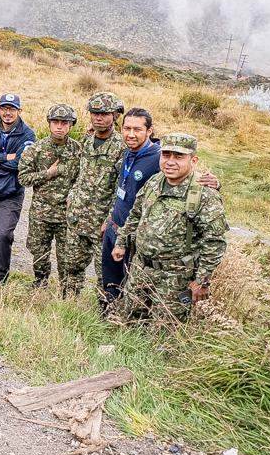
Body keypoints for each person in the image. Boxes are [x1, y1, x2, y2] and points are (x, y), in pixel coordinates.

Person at [109, 133, 228, 323]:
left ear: (193, 160)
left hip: (174, 278)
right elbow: (136, 214)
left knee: (163, 333)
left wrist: (202, 281)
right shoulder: (155, 182)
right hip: (140, 269)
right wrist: (121, 242)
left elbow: (214, 241)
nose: (170, 162)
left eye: (179, 156)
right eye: (166, 155)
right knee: (130, 323)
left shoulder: (204, 194)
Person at [61, 92, 126, 297]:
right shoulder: (87, 140)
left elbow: (121, 188)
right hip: (78, 216)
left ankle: (105, 312)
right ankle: (68, 305)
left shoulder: (121, 147)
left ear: (115, 115)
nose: (98, 117)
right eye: (94, 113)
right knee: (71, 265)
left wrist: (110, 218)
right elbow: (81, 173)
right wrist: (72, 196)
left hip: (102, 222)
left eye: (104, 114)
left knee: (104, 272)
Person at [18, 104, 84, 291]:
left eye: (64, 123)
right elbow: (23, 178)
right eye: (55, 122)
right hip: (41, 212)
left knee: (66, 256)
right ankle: (40, 283)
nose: (59, 126)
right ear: (49, 124)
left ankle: (66, 290)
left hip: (66, 214)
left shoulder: (78, 150)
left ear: (71, 125)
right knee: (39, 251)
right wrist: (47, 173)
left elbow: (83, 178)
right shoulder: (36, 149)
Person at [100, 108, 160, 308]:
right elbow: (123, 189)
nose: (131, 134)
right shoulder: (128, 152)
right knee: (110, 280)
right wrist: (109, 219)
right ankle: (106, 316)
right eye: (126, 128)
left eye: (137, 129)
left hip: (135, 236)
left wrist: (212, 182)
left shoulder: (158, 158)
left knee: (132, 286)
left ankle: (126, 326)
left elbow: (185, 173)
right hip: (114, 228)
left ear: (149, 131)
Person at [0, 93, 36, 284]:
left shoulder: (28, 134)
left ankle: (0, 276)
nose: (7, 113)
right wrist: (6, 157)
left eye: (12, 109)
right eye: (4, 108)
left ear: (19, 111)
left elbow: (21, 164)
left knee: (3, 233)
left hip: (10, 193)